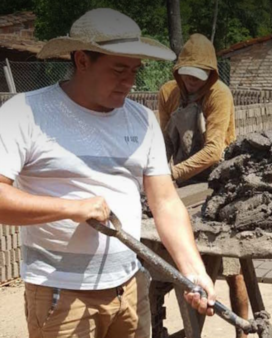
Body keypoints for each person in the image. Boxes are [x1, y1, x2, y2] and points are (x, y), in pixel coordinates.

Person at [0, 8, 216, 338]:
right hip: (61, 296)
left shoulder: (141, 121)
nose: (129, 81)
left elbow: (166, 204)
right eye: (118, 69)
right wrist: (71, 208)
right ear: (82, 60)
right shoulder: (26, 114)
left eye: (134, 70)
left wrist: (193, 270)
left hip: (129, 290)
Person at [157, 34, 249, 338]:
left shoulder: (219, 95)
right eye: (188, 74)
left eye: (200, 76)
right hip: (181, 181)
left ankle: (243, 332)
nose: (193, 82)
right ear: (178, 71)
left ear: (210, 74)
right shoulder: (169, 93)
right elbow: (161, 142)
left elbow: (214, 151)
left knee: (233, 266)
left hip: (219, 181)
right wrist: (156, 176)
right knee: (160, 259)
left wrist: (173, 175)